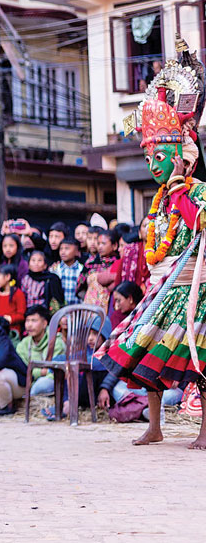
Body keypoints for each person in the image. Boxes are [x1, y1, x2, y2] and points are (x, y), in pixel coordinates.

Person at [99, 38, 206, 450]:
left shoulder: (194, 191)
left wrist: (180, 185)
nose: (152, 166)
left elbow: (201, 224)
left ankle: (202, 429)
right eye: (148, 159)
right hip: (164, 287)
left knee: (194, 357)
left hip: (196, 288)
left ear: (183, 156)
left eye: (159, 158)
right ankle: (155, 426)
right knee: (144, 351)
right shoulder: (160, 202)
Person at [17, 305, 65, 397]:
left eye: (34, 320)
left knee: (41, 385)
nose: (29, 325)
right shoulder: (23, 345)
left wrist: (33, 372)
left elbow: (53, 371)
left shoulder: (56, 342)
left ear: (44, 324)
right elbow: (22, 370)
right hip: (27, 382)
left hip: (50, 381)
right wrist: (41, 372)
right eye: (27, 321)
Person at [0, 263, 27, 337]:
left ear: (7, 276)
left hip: (12, 332)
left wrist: (9, 319)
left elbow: (21, 315)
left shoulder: (18, 294)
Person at [51, 237, 84, 305]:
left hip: (78, 309)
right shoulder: (55, 269)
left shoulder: (81, 270)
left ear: (77, 252)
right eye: (61, 249)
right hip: (61, 310)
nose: (63, 252)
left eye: (67, 248)